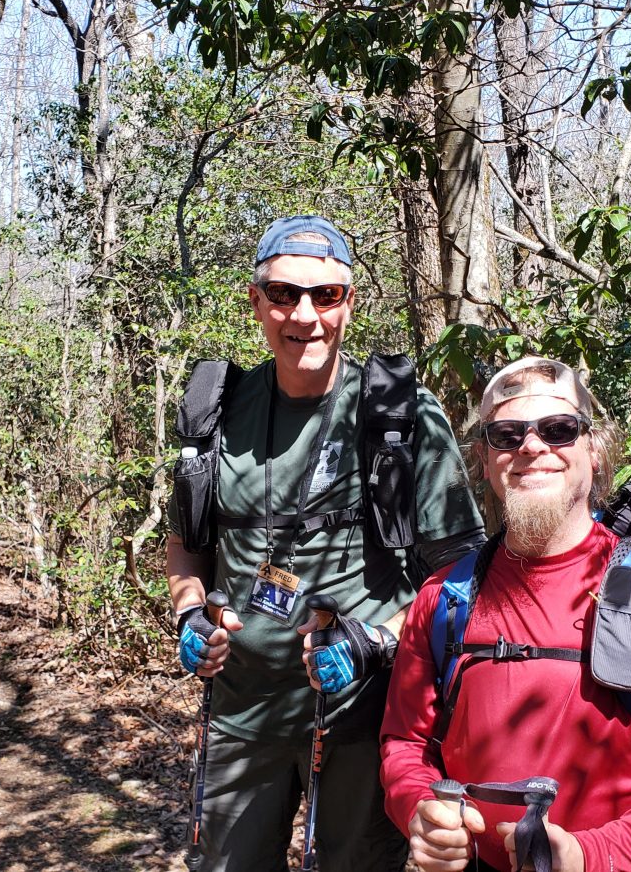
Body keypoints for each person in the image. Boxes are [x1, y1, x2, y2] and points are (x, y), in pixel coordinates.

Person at [167, 215, 486, 872]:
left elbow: (463, 573)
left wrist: (376, 640)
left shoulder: (399, 416)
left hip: (364, 714)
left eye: (325, 296)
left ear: (349, 303)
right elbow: (186, 543)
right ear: (255, 301)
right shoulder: (218, 410)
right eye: (283, 293)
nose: (304, 315)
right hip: (240, 708)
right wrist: (188, 613)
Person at [381, 356, 631, 872]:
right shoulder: (444, 597)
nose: (532, 447)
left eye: (559, 429)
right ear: (484, 459)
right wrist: (420, 810)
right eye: (507, 434)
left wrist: (589, 855)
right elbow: (404, 743)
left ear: (594, 450)